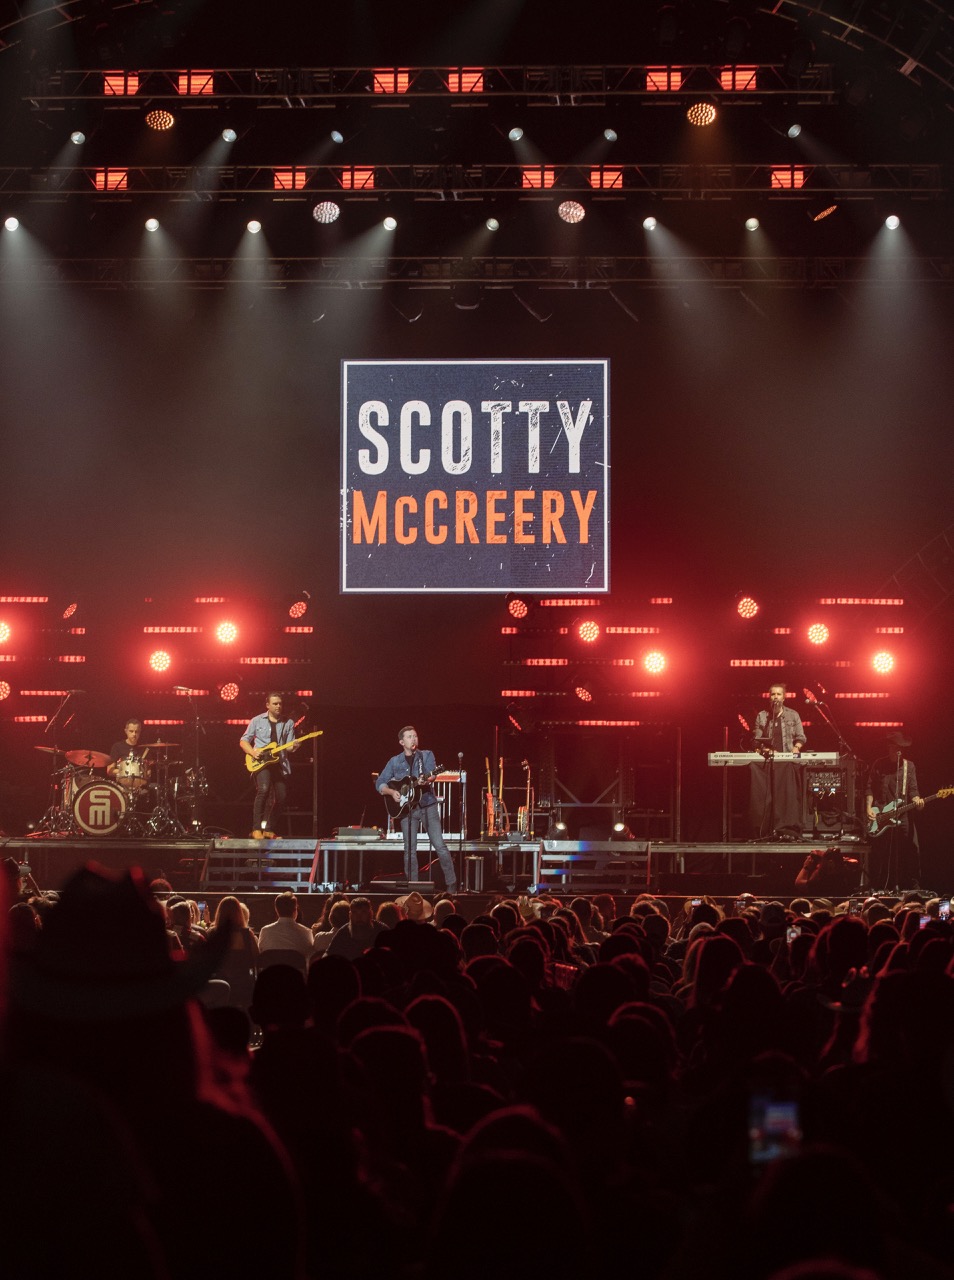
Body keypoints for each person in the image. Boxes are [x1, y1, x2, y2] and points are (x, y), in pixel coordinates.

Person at [376, 725, 457, 893]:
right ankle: (413, 887)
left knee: (439, 845)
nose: (414, 738)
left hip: (427, 806)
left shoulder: (426, 755)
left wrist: (427, 779)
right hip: (407, 810)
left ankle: (452, 885)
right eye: (410, 736)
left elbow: (432, 774)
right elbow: (380, 782)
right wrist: (392, 792)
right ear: (401, 742)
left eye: (415, 736)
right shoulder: (394, 761)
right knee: (409, 850)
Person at [865, 730, 924, 889]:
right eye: (896, 746)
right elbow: (869, 788)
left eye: (901, 747)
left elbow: (913, 790)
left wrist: (917, 800)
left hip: (903, 814)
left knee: (912, 849)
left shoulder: (909, 766)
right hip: (881, 814)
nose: (899, 750)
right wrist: (869, 808)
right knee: (881, 852)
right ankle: (877, 886)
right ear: (889, 746)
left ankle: (914, 887)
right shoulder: (879, 764)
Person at [749, 681, 806, 841]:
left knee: (786, 794)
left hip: (787, 760)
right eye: (773, 694)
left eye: (778, 694)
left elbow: (801, 737)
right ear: (769, 697)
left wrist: (796, 747)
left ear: (784, 697)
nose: (775, 697)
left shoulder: (793, 715)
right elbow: (757, 739)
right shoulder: (762, 716)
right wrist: (763, 748)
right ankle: (764, 828)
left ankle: (787, 828)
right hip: (769, 760)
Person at [240, 692, 299, 839]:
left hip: (279, 763)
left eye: (280, 703)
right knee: (264, 789)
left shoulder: (288, 723)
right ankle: (256, 829)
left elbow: (289, 747)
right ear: (268, 705)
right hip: (261, 762)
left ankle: (268, 828)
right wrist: (253, 752)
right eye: (275, 703)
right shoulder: (257, 720)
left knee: (281, 797)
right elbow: (243, 741)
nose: (278, 706)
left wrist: (295, 746)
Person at [257, 891, 317, 963]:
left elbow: (261, 954)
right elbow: (310, 958)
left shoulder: (265, 931)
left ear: (276, 910)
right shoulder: (306, 932)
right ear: (295, 910)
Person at [107, 717, 151, 792]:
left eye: (136, 732)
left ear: (140, 732)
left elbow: (149, 772)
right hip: (121, 787)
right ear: (126, 731)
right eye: (131, 731)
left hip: (140, 788)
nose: (134, 734)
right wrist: (126, 771)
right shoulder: (117, 747)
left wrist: (144, 773)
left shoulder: (144, 749)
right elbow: (109, 770)